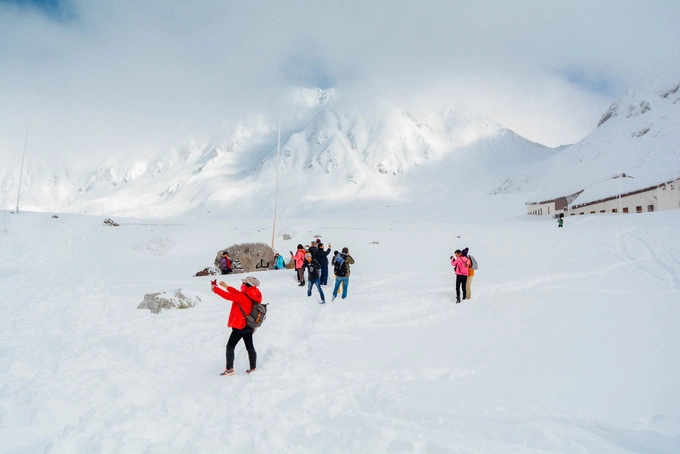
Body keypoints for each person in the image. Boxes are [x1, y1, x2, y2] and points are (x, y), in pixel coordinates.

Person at [211, 276, 262, 376]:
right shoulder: (252, 294)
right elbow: (236, 293)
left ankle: (229, 369)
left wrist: (215, 289)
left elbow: (228, 296)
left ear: (247, 285)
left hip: (240, 327)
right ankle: (253, 368)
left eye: (243, 283)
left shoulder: (243, 296)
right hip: (249, 326)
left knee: (230, 346)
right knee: (250, 347)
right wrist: (226, 286)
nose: (242, 285)